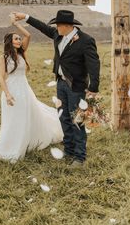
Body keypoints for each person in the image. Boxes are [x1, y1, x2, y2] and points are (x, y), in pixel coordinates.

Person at [14, 10, 100, 167]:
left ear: (67, 25)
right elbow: (41, 27)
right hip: (61, 84)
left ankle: (79, 156)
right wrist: (25, 17)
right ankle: (69, 149)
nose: (55, 27)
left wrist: (93, 87)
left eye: (58, 25)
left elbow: (93, 64)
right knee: (63, 117)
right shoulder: (58, 35)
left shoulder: (86, 40)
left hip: (76, 86)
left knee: (77, 120)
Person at [0, 15, 63, 163]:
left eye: (19, 38)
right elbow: (1, 78)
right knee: (13, 119)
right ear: (9, 42)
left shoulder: (22, 52)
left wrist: (17, 24)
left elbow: (28, 35)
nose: (19, 40)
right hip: (11, 90)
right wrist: (8, 95)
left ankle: (27, 141)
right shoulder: (3, 57)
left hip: (25, 90)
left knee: (26, 116)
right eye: (16, 38)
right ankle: (12, 144)